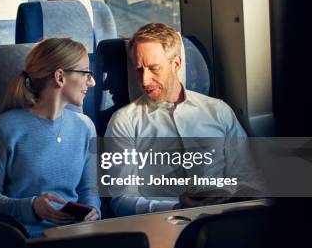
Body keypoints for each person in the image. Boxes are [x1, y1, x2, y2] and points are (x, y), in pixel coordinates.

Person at [105, 23, 263, 216]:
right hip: (161, 222)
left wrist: (230, 195)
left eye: (154, 68)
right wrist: (176, 208)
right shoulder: (124, 121)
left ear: (176, 64)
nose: (145, 80)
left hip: (221, 218)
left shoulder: (219, 111)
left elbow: (249, 179)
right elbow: (121, 200)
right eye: (139, 70)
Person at [0, 37, 100, 237]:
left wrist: (93, 213)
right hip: (25, 240)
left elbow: (89, 191)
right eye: (86, 73)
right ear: (60, 77)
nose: (92, 82)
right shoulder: (5, 127)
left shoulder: (86, 127)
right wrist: (32, 207)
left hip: (77, 239)